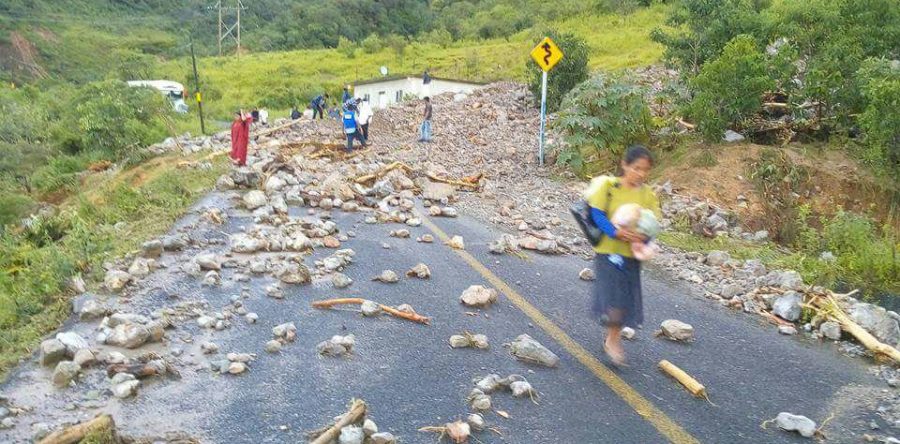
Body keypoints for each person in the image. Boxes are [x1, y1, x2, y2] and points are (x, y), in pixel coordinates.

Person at [586, 145, 661, 366]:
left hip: (631, 255)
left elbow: (652, 225)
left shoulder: (647, 194)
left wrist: (642, 238)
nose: (640, 173)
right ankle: (613, 340)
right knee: (616, 296)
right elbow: (596, 214)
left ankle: (612, 334)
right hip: (608, 251)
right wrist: (615, 231)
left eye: (645, 170)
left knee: (625, 298)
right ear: (624, 165)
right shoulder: (609, 186)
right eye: (636, 168)